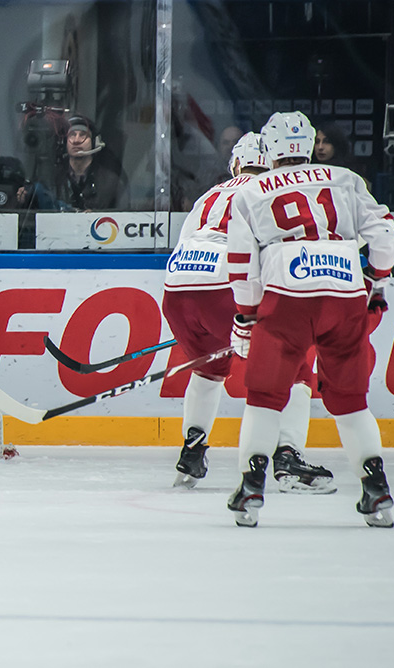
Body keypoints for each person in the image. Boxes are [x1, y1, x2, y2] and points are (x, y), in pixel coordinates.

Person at [226, 111, 394, 528]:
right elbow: (387, 237)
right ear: (307, 145)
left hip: (286, 296)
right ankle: (375, 486)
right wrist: (374, 279)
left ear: (268, 149)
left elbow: (240, 267)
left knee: (265, 397)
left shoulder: (249, 193)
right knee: (351, 400)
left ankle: (251, 485)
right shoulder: (345, 179)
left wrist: (247, 318)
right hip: (344, 294)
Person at [163, 131, 333, 493]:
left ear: (236, 163)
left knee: (208, 371)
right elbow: (268, 256)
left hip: (178, 289)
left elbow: (184, 243)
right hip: (224, 287)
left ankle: (192, 451)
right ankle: (288, 458)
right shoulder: (273, 192)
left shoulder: (210, 194)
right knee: (297, 367)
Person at [52, 114, 127, 212]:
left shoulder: (112, 182)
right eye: (72, 135)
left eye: (83, 135)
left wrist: (96, 216)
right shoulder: (53, 178)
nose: (76, 140)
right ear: (65, 142)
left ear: (93, 142)